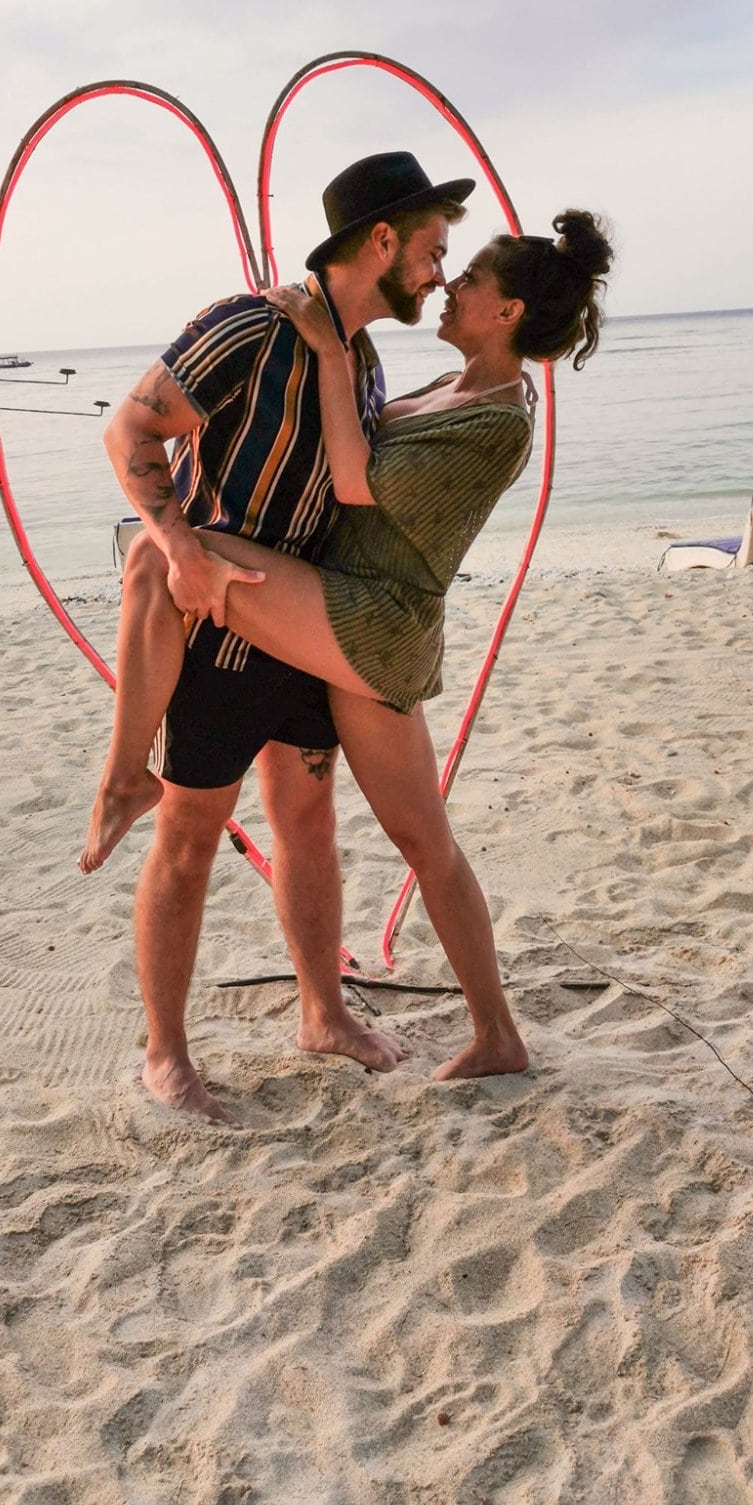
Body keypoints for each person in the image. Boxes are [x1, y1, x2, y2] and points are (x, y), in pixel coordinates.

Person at [86, 184, 614, 1112]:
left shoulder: (442, 394)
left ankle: (369, 1017)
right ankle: (175, 1042)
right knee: (206, 820)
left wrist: (330, 353)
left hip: (355, 625)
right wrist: (178, 543)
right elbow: (131, 429)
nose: (444, 278)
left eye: (463, 270)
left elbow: (355, 483)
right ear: (381, 242)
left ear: (508, 312)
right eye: (438, 255)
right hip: (257, 621)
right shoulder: (265, 329)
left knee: (350, 828)